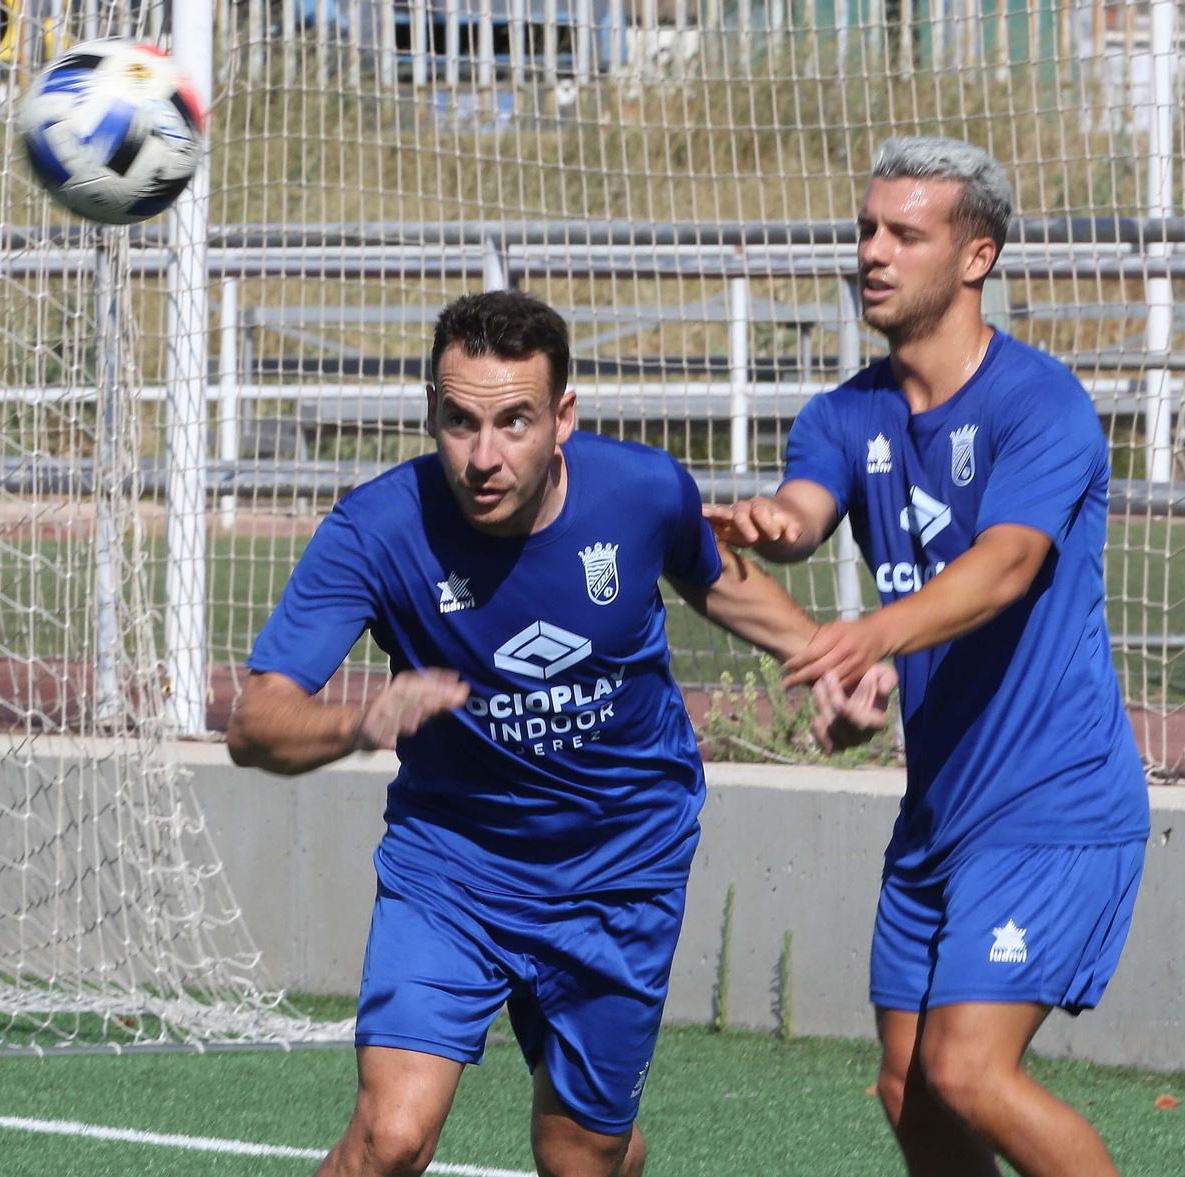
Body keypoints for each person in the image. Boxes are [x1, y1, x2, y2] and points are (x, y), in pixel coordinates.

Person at [227, 290, 890, 1177]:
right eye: (460, 421)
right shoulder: (376, 530)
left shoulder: (644, 492)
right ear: (430, 411)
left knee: (578, 1156)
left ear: (563, 417)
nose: (484, 457)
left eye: (514, 422)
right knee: (390, 1136)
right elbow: (254, 720)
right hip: (453, 866)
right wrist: (359, 721)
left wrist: (827, 659)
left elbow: (714, 576)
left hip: (621, 865)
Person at [707, 136, 1149, 1177]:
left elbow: (1002, 567)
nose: (872, 250)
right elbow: (807, 508)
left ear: (974, 257)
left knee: (967, 1072)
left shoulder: (1039, 404)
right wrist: (771, 524)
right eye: (866, 228)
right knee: (910, 1091)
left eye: (905, 233)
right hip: (939, 815)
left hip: (1054, 807)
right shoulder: (842, 411)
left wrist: (865, 637)